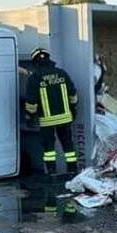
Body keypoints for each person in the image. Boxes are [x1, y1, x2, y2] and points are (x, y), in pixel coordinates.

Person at [23, 47, 78, 175]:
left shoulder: (35, 78)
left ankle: (52, 172)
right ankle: (72, 170)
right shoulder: (62, 73)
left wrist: (30, 117)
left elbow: (31, 102)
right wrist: (73, 108)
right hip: (65, 118)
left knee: (49, 149)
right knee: (68, 145)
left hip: (47, 121)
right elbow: (73, 93)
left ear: (35, 62)